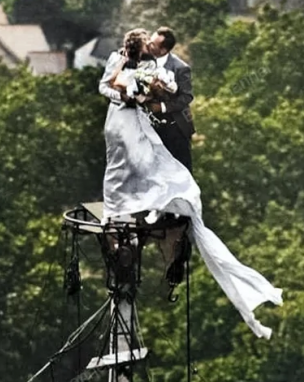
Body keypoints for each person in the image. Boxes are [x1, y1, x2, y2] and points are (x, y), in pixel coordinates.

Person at [98, 28, 283, 340]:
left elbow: (175, 93)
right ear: (139, 47)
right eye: (147, 46)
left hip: (153, 123)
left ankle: (158, 202)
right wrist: (127, 96)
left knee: (149, 163)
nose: (151, 51)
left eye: (154, 46)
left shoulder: (160, 67)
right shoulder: (120, 61)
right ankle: (124, 206)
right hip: (121, 119)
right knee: (123, 164)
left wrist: (151, 96)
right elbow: (107, 86)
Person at [146, 26, 194, 173]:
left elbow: (187, 97)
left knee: (179, 168)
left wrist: (162, 107)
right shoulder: (143, 61)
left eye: (153, 44)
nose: (148, 44)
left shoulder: (180, 68)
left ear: (163, 50)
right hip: (148, 125)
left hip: (175, 126)